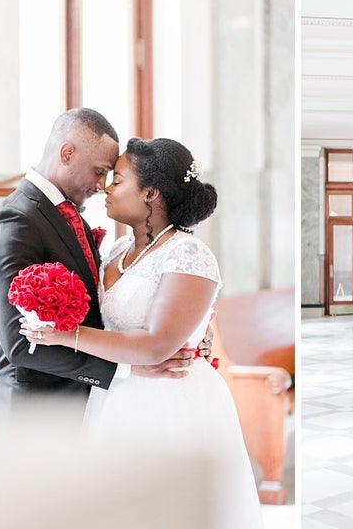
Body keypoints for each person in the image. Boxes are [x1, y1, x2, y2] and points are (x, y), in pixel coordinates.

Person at [21, 137, 264, 527]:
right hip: (115, 395)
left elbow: (156, 345)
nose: (105, 187)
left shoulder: (189, 253)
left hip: (170, 400)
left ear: (150, 192)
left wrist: (67, 334)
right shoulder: (116, 252)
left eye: (116, 179)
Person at [0, 108, 208, 422]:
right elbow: (18, 343)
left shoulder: (71, 217)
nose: (101, 186)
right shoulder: (16, 221)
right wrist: (126, 368)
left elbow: (101, 314)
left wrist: (188, 334)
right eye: (99, 171)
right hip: (24, 411)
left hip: (83, 409)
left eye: (111, 177)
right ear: (67, 152)